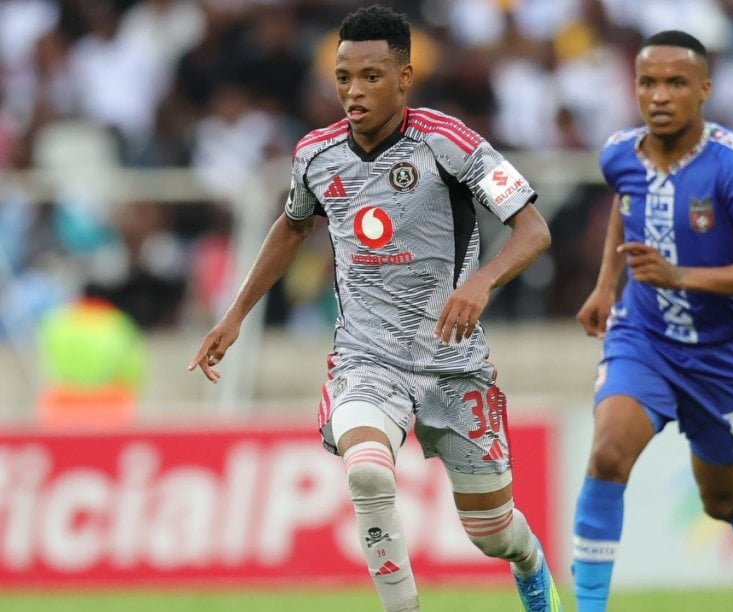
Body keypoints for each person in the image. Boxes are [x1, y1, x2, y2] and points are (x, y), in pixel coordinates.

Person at [188, 6, 561, 612]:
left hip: (454, 362)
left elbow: (533, 229)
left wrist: (482, 282)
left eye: (370, 76)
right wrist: (234, 314)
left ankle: (531, 566)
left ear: (405, 77)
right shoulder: (315, 154)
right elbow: (291, 226)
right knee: (367, 473)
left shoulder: (449, 142)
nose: (353, 91)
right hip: (367, 358)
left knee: (491, 534)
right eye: (343, 77)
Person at [571, 31, 733, 612]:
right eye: (648, 82)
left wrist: (681, 277)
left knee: (721, 500)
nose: (660, 95)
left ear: (704, 91)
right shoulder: (619, 153)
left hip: (722, 355)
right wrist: (605, 285)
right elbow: (626, 204)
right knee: (608, 453)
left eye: (675, 83)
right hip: (643, 337)